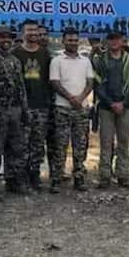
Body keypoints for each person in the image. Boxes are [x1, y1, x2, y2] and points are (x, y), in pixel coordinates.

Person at [50, 27, 94, 192]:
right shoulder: (57, 60)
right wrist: (71, 98)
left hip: (81, 109)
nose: (73, 43)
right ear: (63, 41)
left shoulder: (85, 60)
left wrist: (81, 98)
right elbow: (55, 82)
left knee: (80, 146)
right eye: (69, 40)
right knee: (60, 146)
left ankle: (79, 179)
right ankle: (56, 180)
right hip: (62, 108)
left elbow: (90, 82)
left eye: (75, 40)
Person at [93, 30, 129, 188]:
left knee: (124, 142)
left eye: (117, 39)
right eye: (111, 39)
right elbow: (97, 85)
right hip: (106, 107)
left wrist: (123, 104)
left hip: (125, 108)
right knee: (106, 143)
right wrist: (111, 103)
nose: (114, 42)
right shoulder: (99, 61)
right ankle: (105, 176)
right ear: (107, 41)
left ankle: (123, 175)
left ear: (123, 41)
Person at [0, 25, 29, 196]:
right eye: (2, 37)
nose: (6, 40)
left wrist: (24, 109)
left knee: (15, 147)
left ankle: (13, 181)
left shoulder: (15, 60)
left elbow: (21, 86)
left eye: (8, 37)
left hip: (15, 110)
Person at [12, 19, 52, 191]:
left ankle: (34, 177)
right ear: (23, 32)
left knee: (37, 144)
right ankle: (19, 179)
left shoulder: (45, 54)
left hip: (41, 106)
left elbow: (49, 81)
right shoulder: (15, 54)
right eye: (29, 30)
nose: (33, 33)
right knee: (21, 144)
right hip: (22, 107)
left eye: (35, 30)